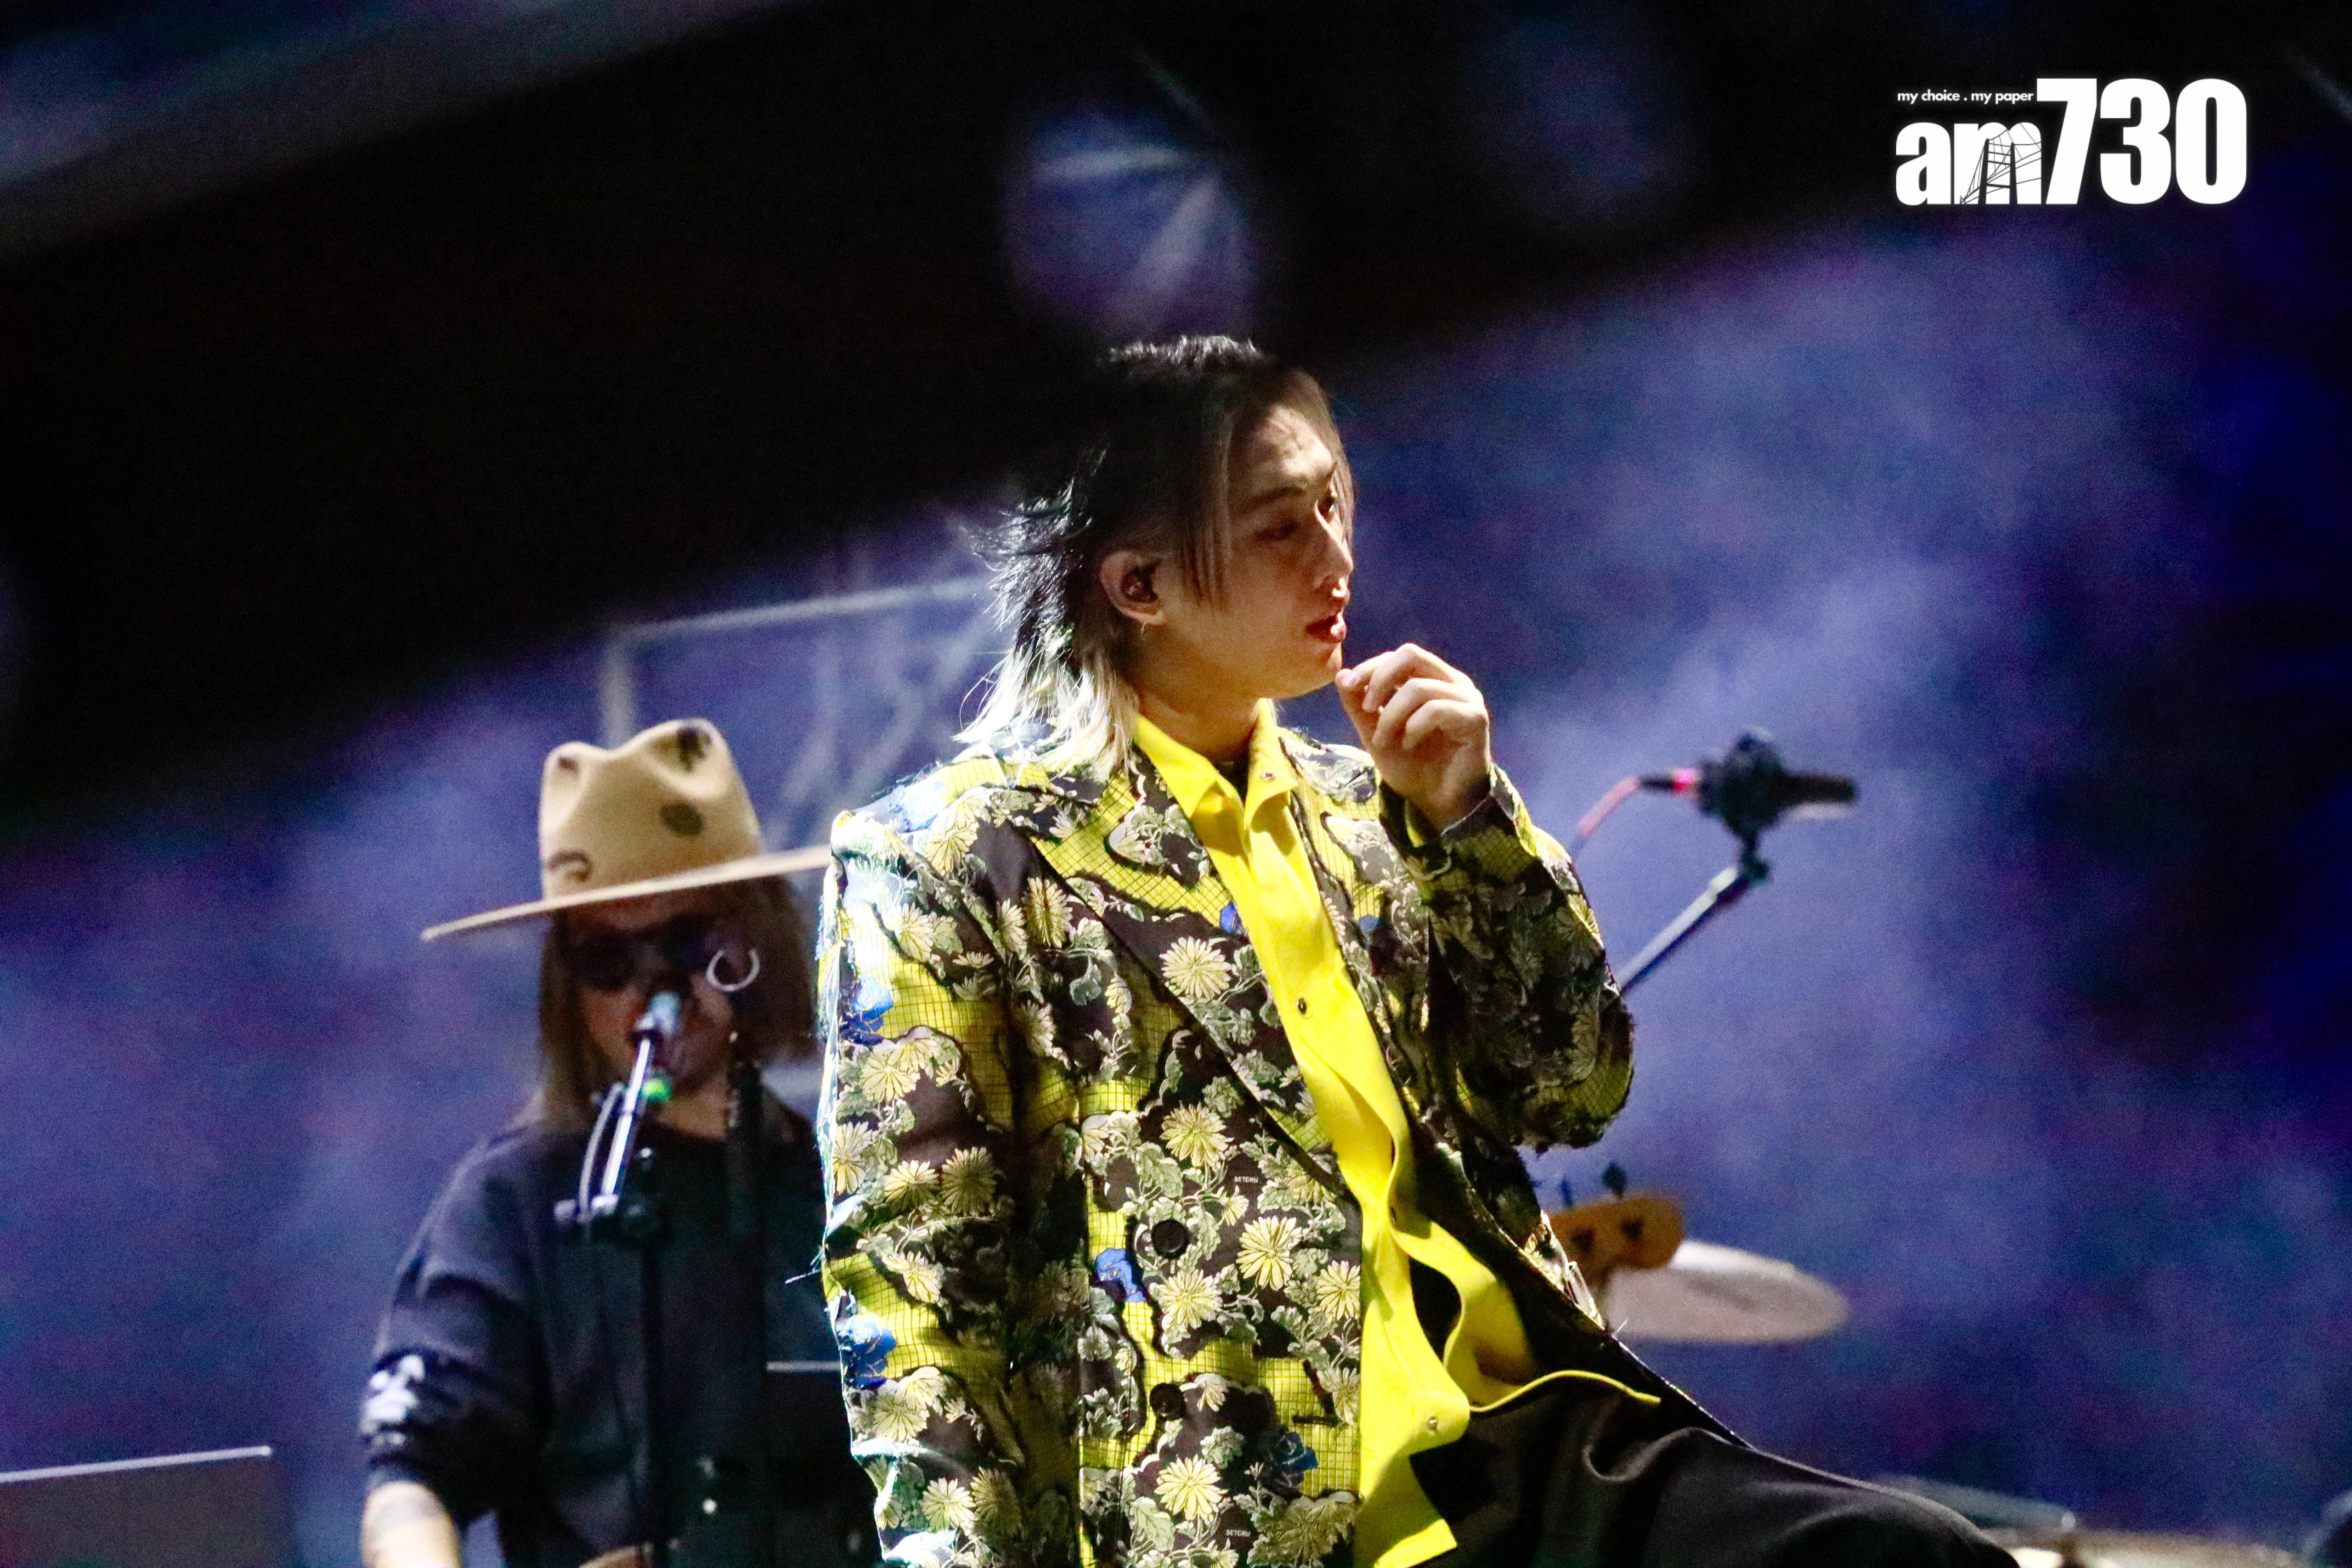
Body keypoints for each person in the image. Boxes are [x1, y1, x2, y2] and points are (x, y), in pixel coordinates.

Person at [815, 337, 2011, 1568]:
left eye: (1334, 505)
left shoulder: (1373, 805)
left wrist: (1471, 825)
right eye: (1279, 527)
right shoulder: (951, 856)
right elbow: (917, 1279)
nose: (1335, 555)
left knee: (1913, 1556)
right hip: (1252, 1509)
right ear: (1141, 585)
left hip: (1530, 1441)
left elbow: (1573, 1089)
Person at [361, 719, 871, 1568]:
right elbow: (411, 1482)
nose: (650, 988)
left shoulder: (853, 1176)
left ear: (753, 940)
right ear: (568, 981)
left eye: (686, 942)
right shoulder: (516, 1201)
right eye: (606, 957)